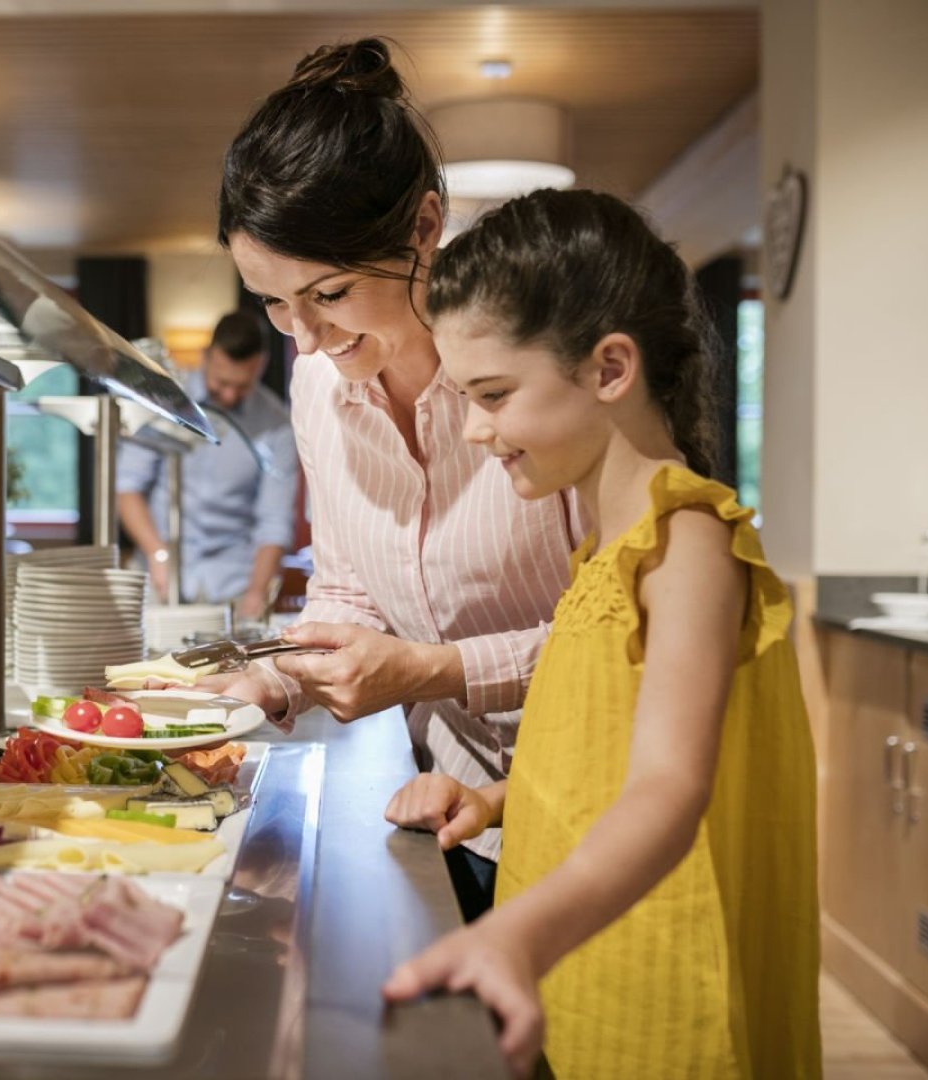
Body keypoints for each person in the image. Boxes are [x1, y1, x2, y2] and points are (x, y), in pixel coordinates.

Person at [380, 189, 822, 1079]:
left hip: (653, 995)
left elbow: (667, 791)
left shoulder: (686, 542)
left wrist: (514, 933)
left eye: (495, 394)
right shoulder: (601, 547)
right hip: (577, 981)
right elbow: (605, 751)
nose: (475, 429)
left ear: (610, 367)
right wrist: (500, 801)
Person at [214, 37, 579, 918]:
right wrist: (278, 676)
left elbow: (620, 627)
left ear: (424, 227)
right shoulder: (314, 382)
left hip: (591, 787)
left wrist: (431, 669)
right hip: (450, 797)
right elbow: (347, 586)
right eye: (272, 302)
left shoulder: (533, 367)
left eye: (330, 294)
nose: (301, 337)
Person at [117, 310, 298, 621]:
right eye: (221, 382)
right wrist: (157, 553)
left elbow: (275, 521)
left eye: (242, 386)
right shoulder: (166, 397)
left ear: (261, 366)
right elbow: (126, 487)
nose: (229, 395)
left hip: (233, 587)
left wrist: (257, 593)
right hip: (158, 577)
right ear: (207, 356)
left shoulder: (277, 424)